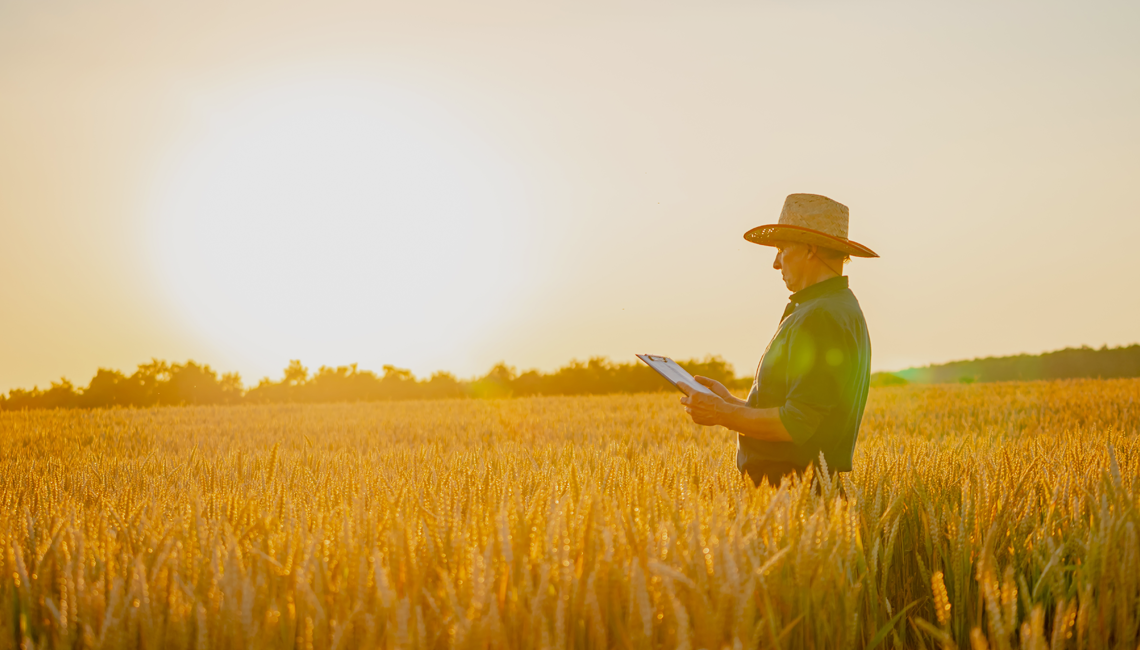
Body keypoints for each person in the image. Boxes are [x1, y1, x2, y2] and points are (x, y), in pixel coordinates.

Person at [679, 193, 877, 488]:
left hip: (792, 493)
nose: (775, 263)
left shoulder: (821, 316)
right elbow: (798, 407)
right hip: (795, 493)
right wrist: (731, 402)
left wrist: (722, 412)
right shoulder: (831, 307)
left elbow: (796, 422)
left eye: (782, 249)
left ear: (810, 250)